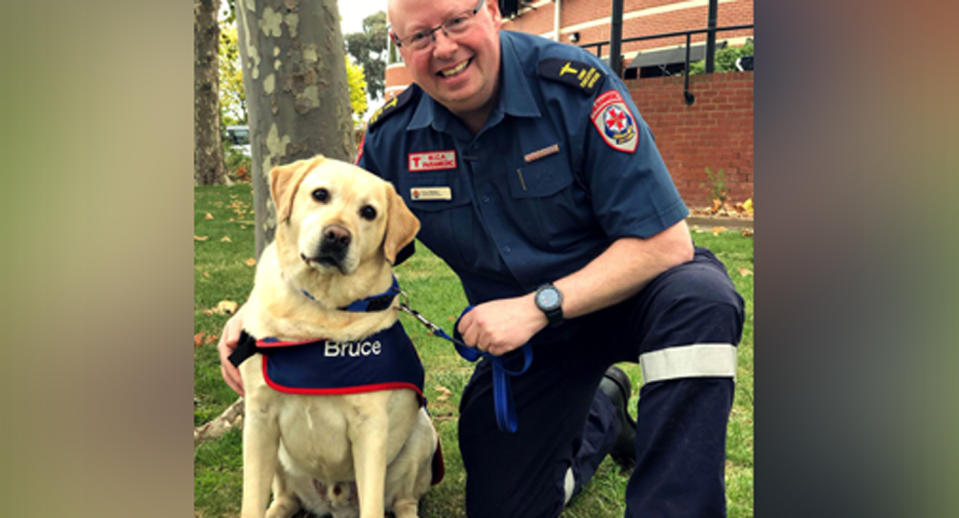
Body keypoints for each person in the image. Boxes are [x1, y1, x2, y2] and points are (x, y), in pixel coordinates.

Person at [218, 0, 745, 515]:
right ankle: (603, 412)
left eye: (457, 21)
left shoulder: (572, 87)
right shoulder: (393, 137)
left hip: (627, 296)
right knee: (502, 504)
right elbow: (327, 235)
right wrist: (256, 315)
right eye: (420, 36)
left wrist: (538, 305)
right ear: (399, 46)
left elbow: (668, 242)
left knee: (699, 298)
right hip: (532, 345)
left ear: (491, 12)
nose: (443, 48)